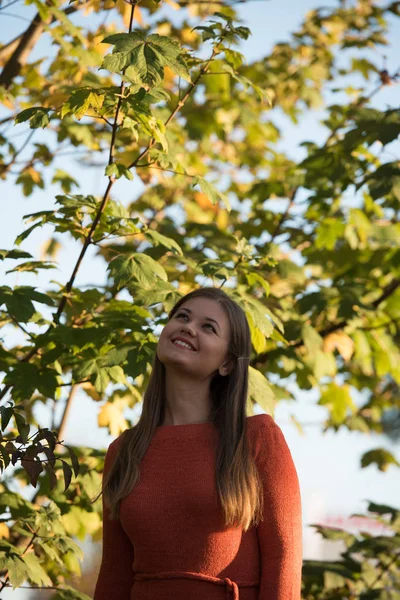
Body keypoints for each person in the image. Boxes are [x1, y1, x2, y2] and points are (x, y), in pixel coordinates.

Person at [93, 286, 302, 600]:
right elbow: (114, 573)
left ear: (227, 363)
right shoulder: (123, 451)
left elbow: (283, 559)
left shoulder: (256, 438)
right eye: (182, 316)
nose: (188, 327)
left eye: (208, 327)